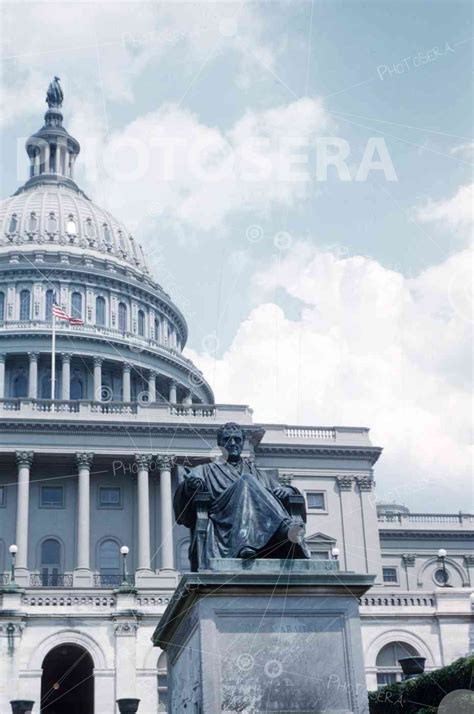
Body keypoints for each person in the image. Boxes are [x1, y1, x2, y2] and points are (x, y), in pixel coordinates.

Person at [173, 422, 310, 570]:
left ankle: (272, 533)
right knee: (247, 480)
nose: (233, 443)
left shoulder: (258, 473)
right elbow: (182, 502)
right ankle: (282, 529)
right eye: (228, 439)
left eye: (237, 440)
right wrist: (190, 486)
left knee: (249, 480)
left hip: (262, 523)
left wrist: (288, 490)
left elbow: (278, 492)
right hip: (224, 521)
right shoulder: (205, 470)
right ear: (220, 444)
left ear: (243, 442)